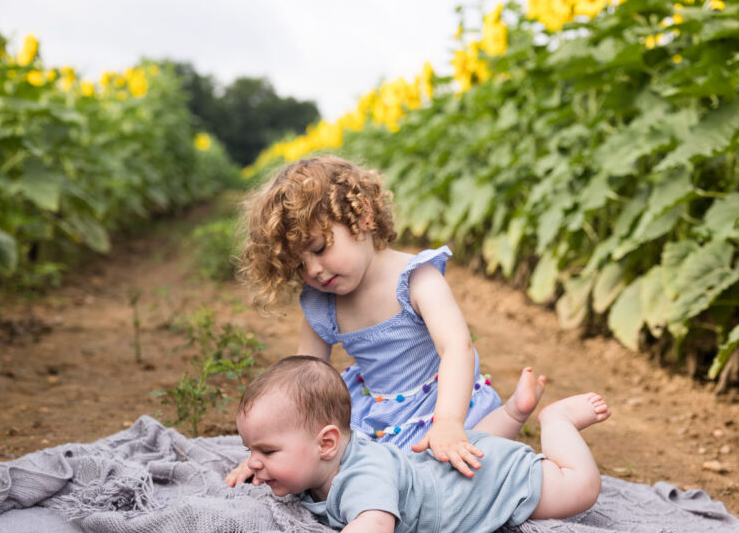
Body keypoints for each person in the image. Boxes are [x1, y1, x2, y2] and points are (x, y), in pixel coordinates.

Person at [226, 155, 545, 487]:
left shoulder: (415, 279)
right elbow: (300, 382)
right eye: (299, 265)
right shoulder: (322, 302)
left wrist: (448, 421)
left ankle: (511, 415)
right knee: (348, 473)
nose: (313, 271)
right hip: (377, 415)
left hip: (441, 400)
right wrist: (265, 457)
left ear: (362, 217)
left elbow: (456, 348)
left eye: (319, 249)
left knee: (463, 457)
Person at [233, 356, 610, 533]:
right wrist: (262, 466)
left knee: (579, 488)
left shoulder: (363, 477)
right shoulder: (314, 466)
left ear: (326, 443)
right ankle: (513, 412)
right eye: (250, 449)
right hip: (451, 466)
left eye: (267, 451)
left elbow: (375, 530)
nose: (254, 461)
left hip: (492, 483)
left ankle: (557, 420)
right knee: (473, 448)